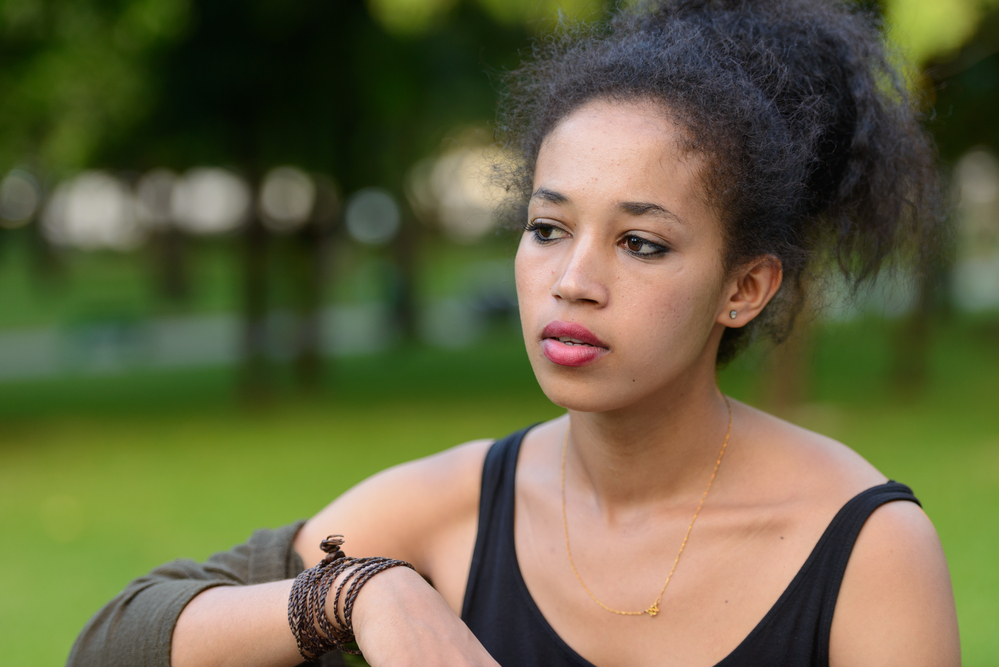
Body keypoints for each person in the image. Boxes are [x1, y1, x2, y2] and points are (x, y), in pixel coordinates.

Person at [69, 0, 961, 665]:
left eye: (640, 243)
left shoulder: (861, 547)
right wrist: (356, 592)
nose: (572, 281)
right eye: (547, 228)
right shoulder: (453, 507)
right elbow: (111, 640)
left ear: (745, 286)